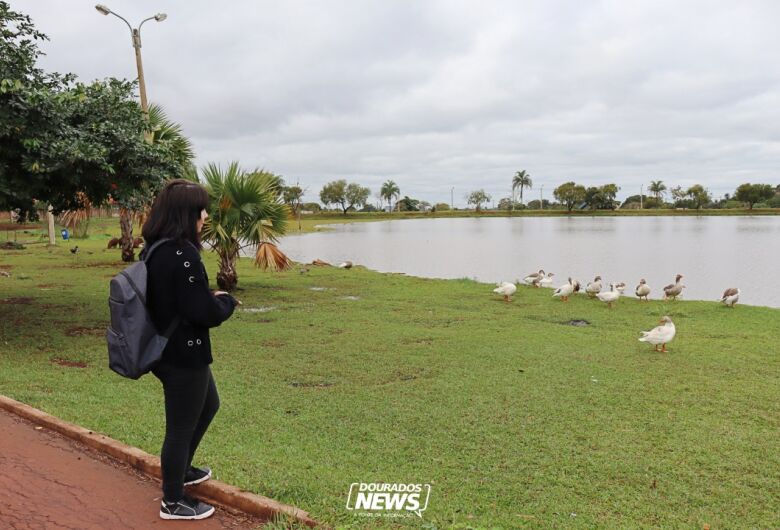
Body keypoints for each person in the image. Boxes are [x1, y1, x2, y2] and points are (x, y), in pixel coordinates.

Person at [141, 179, 240, 520]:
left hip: (168, 348)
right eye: (201, 208)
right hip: (183, 353)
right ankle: (173, 500)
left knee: (209, 404)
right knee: (180, 427)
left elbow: (179, 299)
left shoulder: (157, 247)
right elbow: (202, 312)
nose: (205, 215)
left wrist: (204, 298)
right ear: (187, 213)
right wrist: (226, 303)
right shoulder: (183, 253)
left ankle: (180, 470)